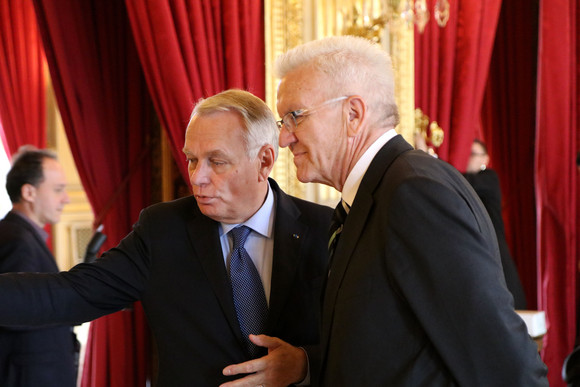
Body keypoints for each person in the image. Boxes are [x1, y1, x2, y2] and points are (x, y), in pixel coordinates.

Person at [224, 36, 548, 386]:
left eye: (294, 117)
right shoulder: (376, 192)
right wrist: (306, 364)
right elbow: (392, 349)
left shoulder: (414, 194)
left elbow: (502, 362)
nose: (284, 138)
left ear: (353, 114)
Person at [0, 90, 332, 386]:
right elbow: (70, 294)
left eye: (216, 161)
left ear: (264, 161)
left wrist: (304, 364)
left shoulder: (327, 228)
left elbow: (369, 337)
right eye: (192, 160)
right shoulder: (163, 229)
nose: (197, 178)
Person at [0, 147, 77, 387]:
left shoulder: (21, 235)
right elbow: (15, 310)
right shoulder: (15, 239)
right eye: (58, 190)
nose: (66, 198)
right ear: (29, 192)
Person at [463, 139, 527, 309]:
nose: (468, 158)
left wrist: (432, 159)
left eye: (473, 154)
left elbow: (465, 183)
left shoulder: (489, 177)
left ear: (485, 159)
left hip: (493, 245)